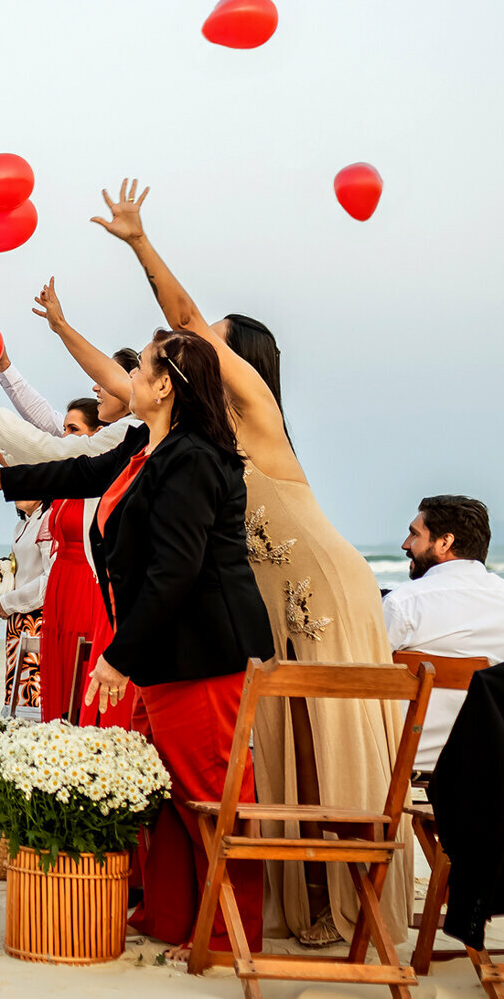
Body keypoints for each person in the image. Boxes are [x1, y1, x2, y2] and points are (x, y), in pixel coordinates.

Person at [92, 179, 412, 946]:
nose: (200, 345)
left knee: (327, 730)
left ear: (237, 358)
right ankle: (292, 898)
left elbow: (183, 323)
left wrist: (139, 243)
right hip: (261, 602)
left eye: (215, 340)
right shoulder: (197, 435)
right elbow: (124, 385)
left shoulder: (257, 415)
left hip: (319, 585)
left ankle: (345, 897)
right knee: (271, 743)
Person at [0, 328, 274, 958]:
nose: (129, 381)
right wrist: (2, 477)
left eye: (142, 369)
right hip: (164, 652)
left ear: (163, 386)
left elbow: (175, 570)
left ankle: (231, 936)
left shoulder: (195, 459)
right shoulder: (141, 444)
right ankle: (170, 916)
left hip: (203, 651)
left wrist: (119, 657)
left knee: (210, 794)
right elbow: (77, 468)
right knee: (167, 790)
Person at [0, 284, 141, 725]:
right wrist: (0, 375)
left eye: (107, 376)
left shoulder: (119, 445)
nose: (95, 383)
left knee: (87, 712)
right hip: (64, 597)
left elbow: (45, 449)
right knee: (59, 710)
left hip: (93, 592)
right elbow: (34, 445)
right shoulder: (96, 446)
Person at [385, 495, 504, 770]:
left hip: (401, 769)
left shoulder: (403, 604)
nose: (406, 544)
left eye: (414, 534)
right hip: (484, 771)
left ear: (444, 542)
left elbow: (362, 682)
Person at [0, 498, 51, 708]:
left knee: (34, 693)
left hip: (37, 620)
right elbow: (17, 575)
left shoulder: (49, 520)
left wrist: (7, 602)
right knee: (16, 692)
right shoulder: (21, 525)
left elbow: (50, 579)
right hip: (17, 621)